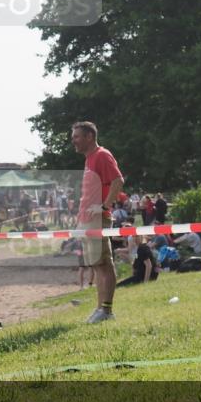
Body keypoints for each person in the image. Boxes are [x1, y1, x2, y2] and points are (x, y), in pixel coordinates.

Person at [72, 121, 124, 324]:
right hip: (87, 221)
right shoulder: (90, 159)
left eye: (77, 137)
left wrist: (103, 207)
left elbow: (118, 181)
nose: (73, 141)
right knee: (96, 265)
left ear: (89, 137)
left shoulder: (102, 155)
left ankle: (106, 310)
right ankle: (100, 308)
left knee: (103, 264)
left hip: (97, 220)